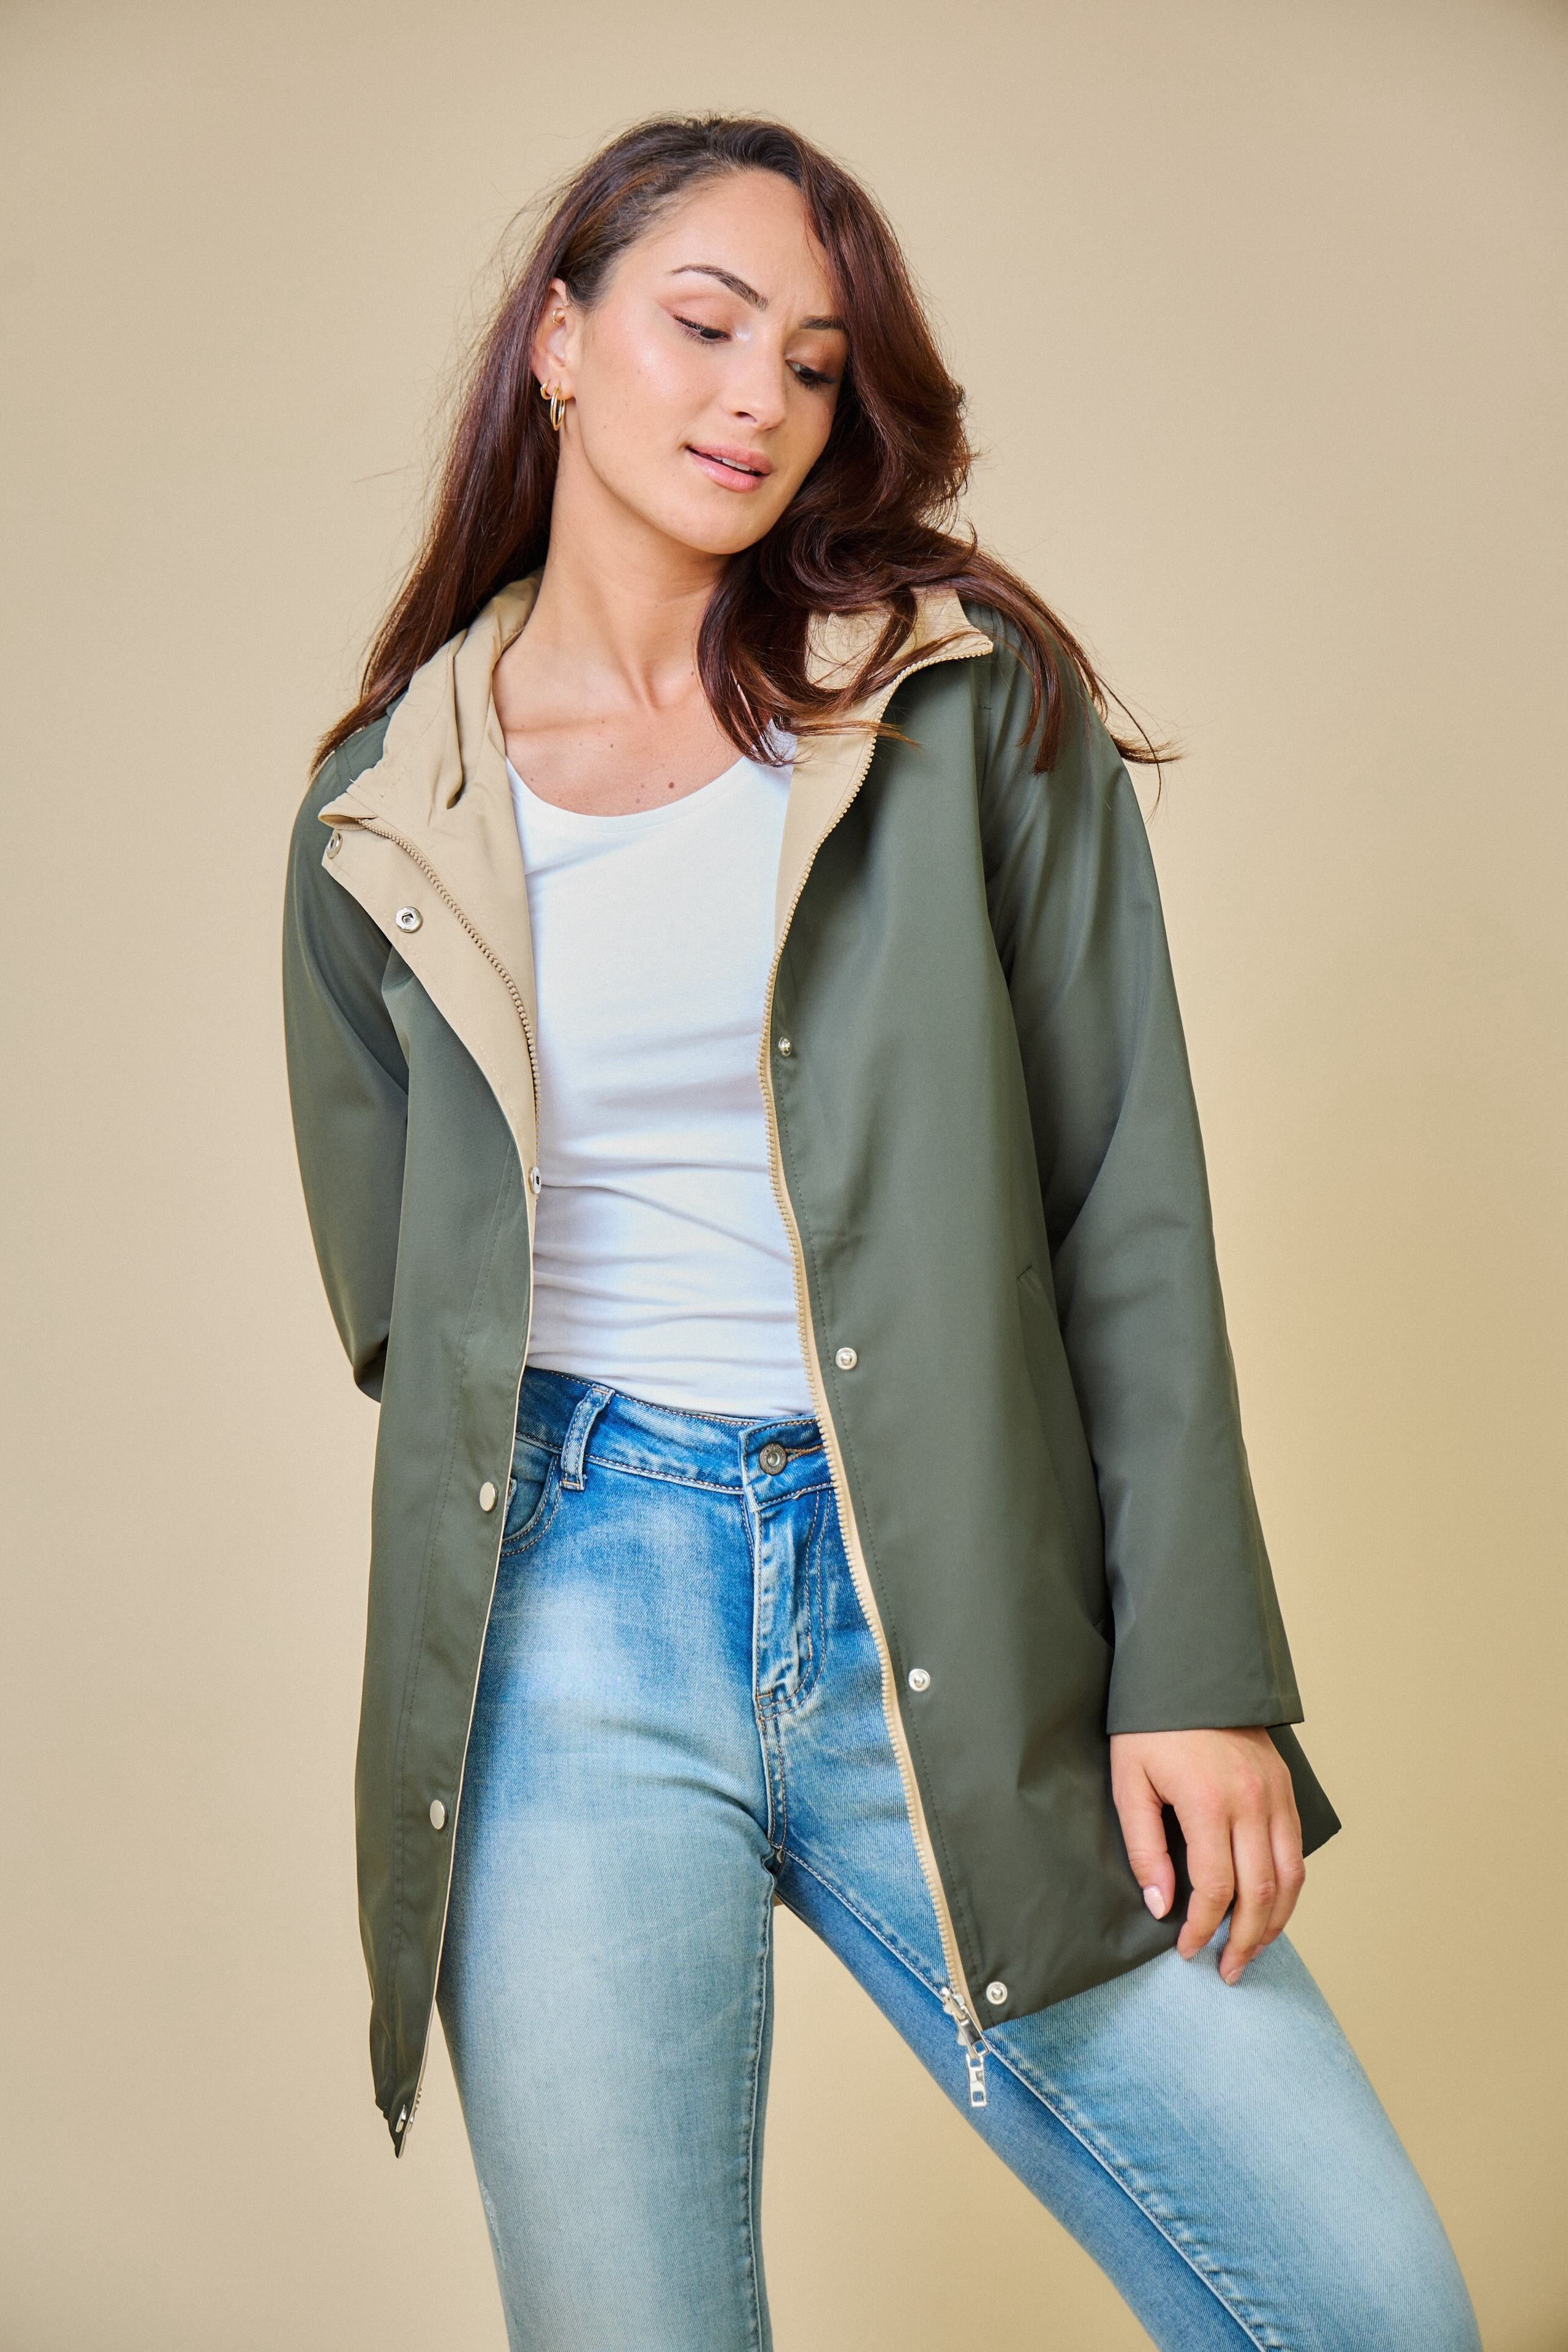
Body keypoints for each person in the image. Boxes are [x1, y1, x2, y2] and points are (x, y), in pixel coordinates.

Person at [282, 112, 1480, 2352]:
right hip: (570, 1616)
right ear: (560, 340)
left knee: (1368, 2307)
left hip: (944, 1585)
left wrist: (1195, 1669)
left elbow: (1126, 1196)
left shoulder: (958, 704)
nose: (759, 399)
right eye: (705, 326)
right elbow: (399, 1283)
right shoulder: (380, 806)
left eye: (815, 365)